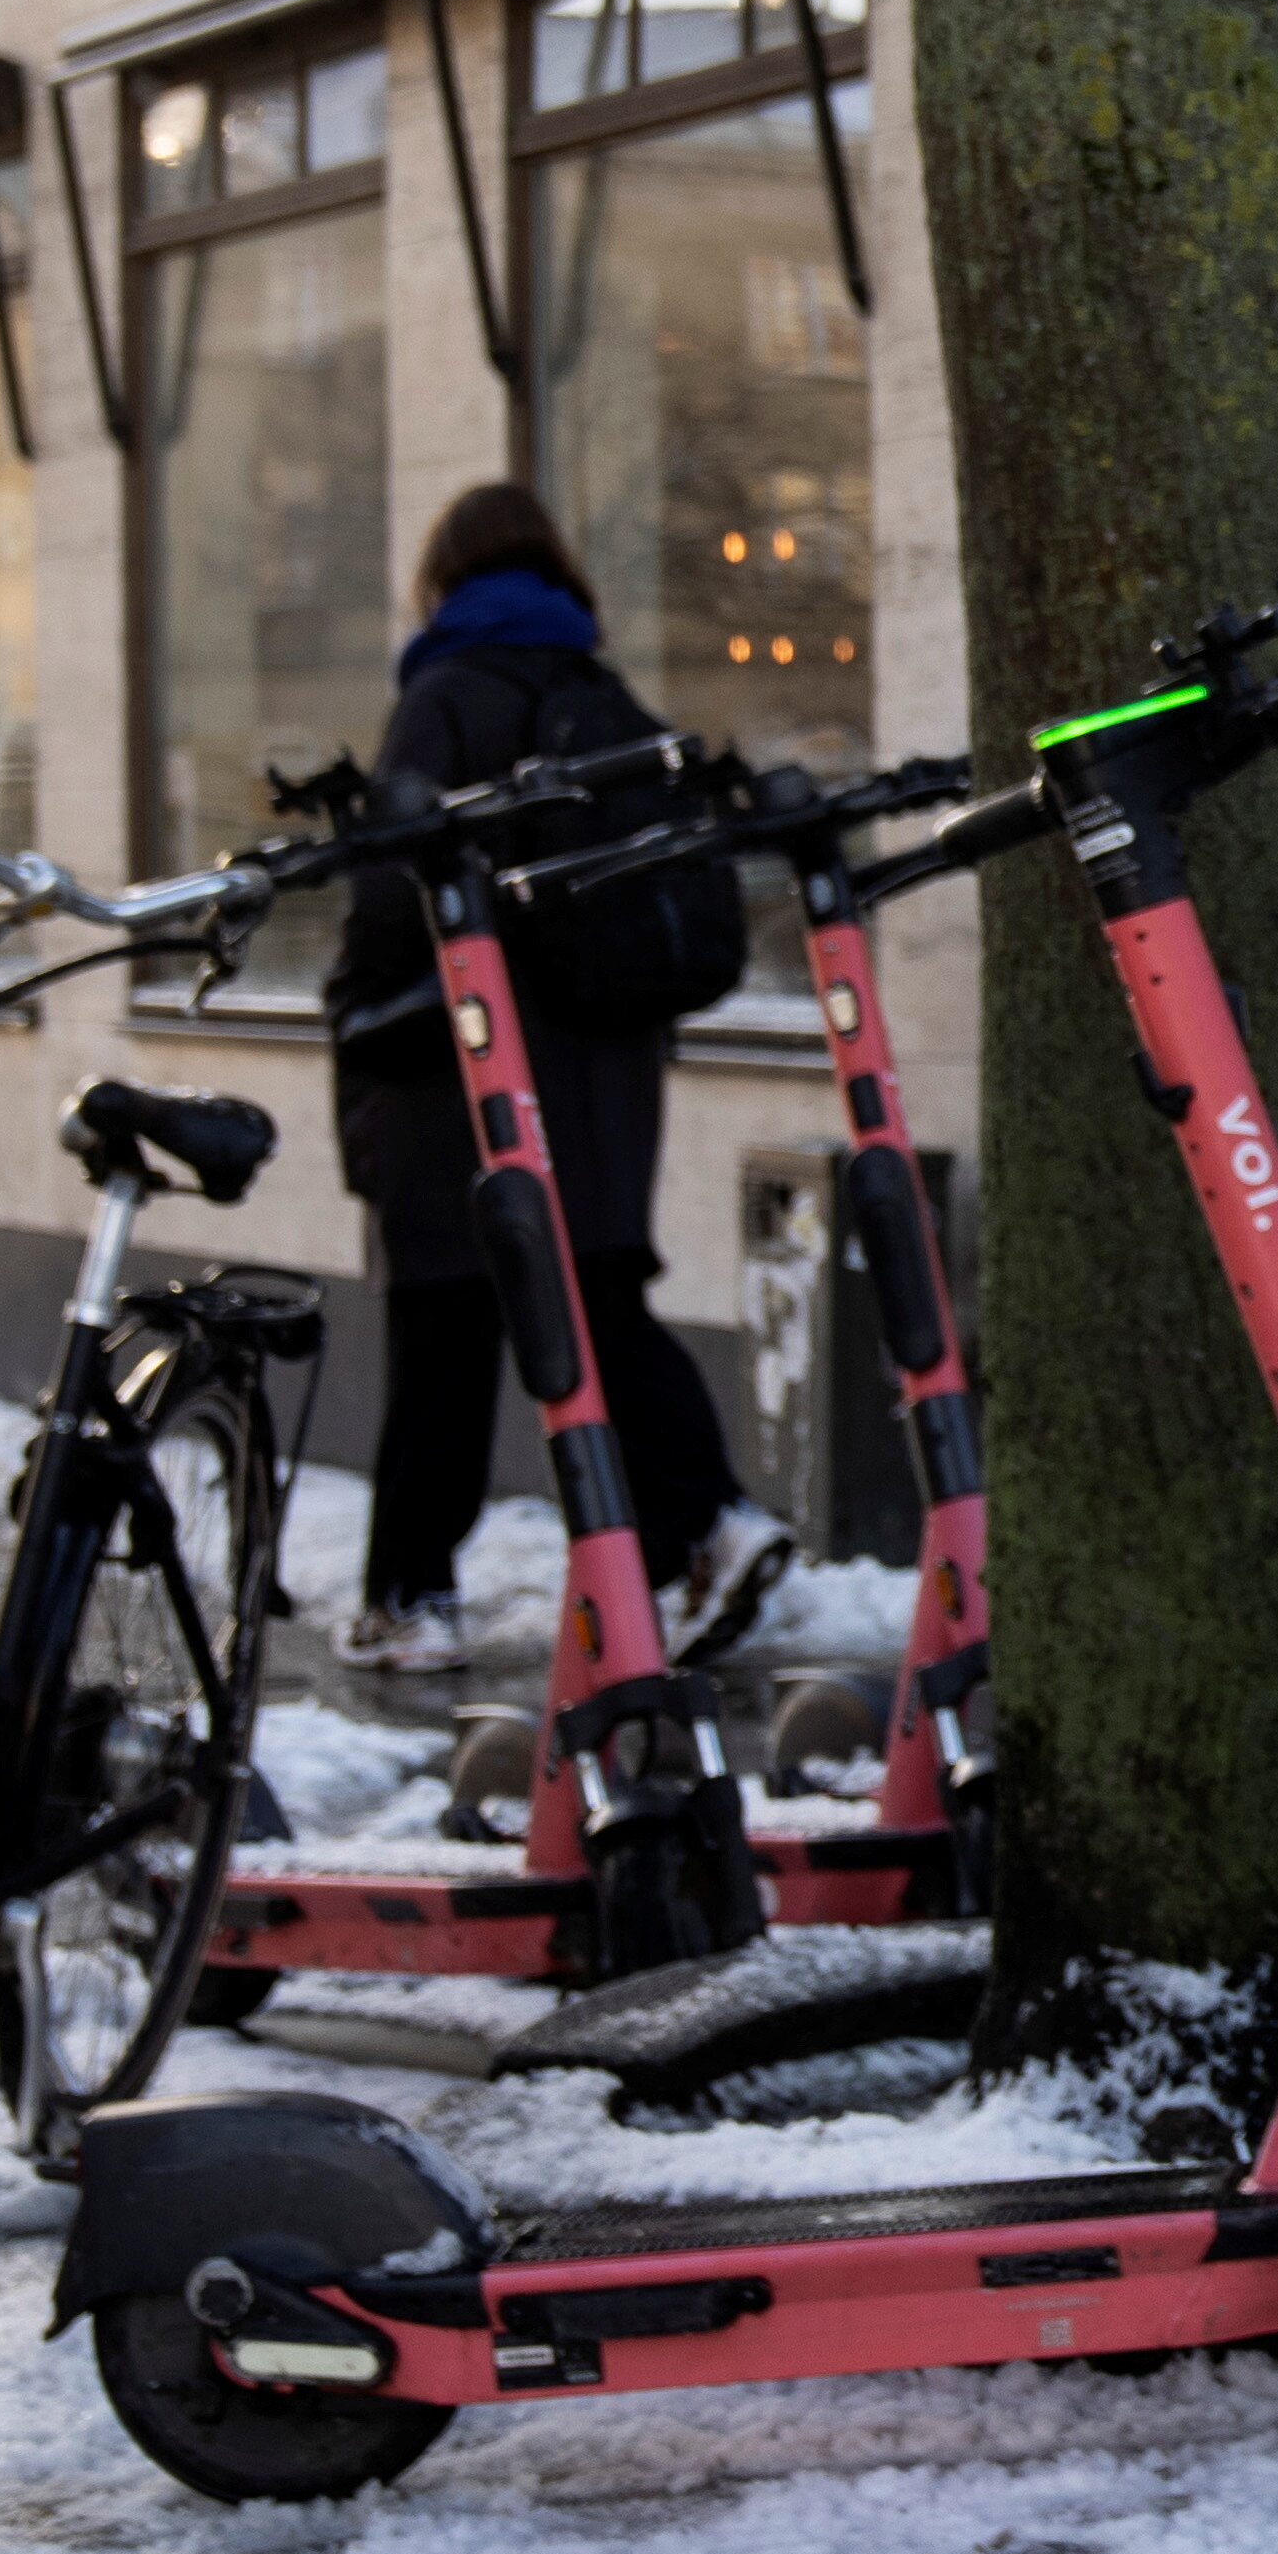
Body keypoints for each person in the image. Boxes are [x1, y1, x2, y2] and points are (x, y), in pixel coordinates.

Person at [324, 480, 793, 1678]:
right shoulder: (604, 695)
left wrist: (356, 1015)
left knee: (444, 1325)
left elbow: (390, 890)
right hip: (601, 1070)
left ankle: (410, 1595)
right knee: (599, 1301)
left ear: (440, 580)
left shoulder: (447, 694)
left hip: (464, 1060)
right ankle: (713, 1524)